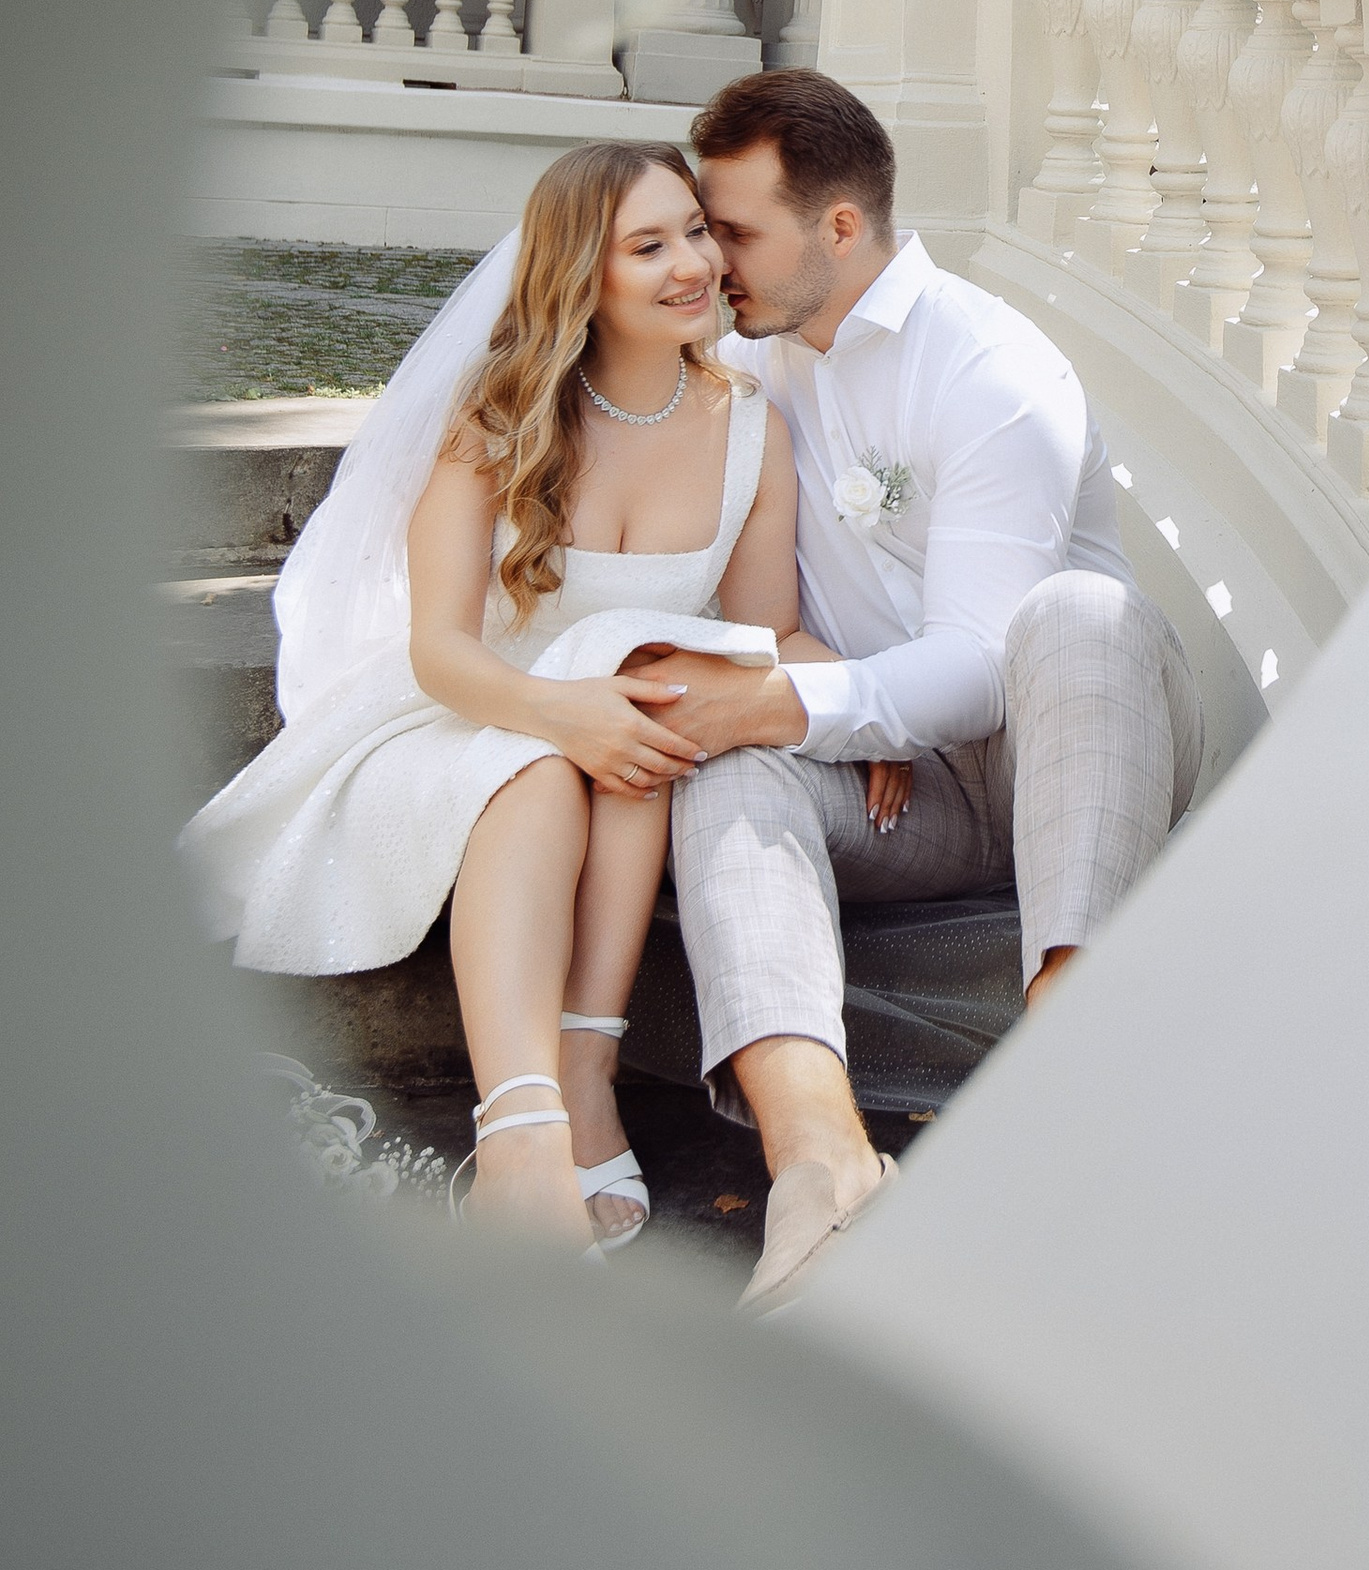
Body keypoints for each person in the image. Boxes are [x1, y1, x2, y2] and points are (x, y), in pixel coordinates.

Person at [178, 143, 891, 1254]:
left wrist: (863, 706)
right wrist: (561, 712)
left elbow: (766, 630)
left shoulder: (753, 427)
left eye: (695, 232)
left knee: (647, 672)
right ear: (581, 275)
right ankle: (524, 1124)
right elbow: (439, 652)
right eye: (647, 246)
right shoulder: (498, 418)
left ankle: (580, 1071)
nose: (692, 263)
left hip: (618, 739)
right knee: (569, 738)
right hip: (455, 723)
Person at [631, 70, 1205, 1314]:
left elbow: (981, 660)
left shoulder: (993, 369)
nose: (710, 259)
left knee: (1080, 612)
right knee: (729, 759)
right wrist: (801, 687)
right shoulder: (752, 357)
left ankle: (1065, 1078)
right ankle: (822, 1169)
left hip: (1062, 743)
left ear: (838, 229)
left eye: (735, 230)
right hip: (902, 793)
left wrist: (799, 699)